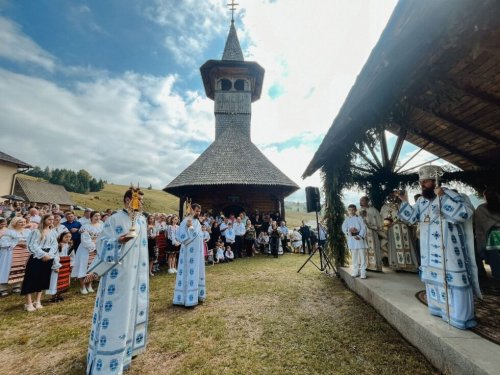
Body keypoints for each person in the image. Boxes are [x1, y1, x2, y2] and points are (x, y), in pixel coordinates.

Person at [397, 165, 481, 329]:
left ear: (435, 181)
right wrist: (404, 202)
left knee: (453, 280)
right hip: (429, 250)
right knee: (435, 279)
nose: (422, 185)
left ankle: (460, 316)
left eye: (425, 182)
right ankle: (438, 308)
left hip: (448, 249)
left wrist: (443, 198)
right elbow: (413, 218)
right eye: (421, 182)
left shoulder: (451, 195)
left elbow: (463, 214)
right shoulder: (421, 201)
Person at [85, 187, 149, 374]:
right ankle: (108, 357)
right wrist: (118, 241)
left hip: (136, 275)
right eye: (139, 201)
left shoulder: (142, 221)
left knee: (132, 309)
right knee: (116, 313)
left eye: (142, 202)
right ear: (128, 200)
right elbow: (102, 244)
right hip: (117, 275)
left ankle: (128, 350)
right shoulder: (114, 219)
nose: (141, 204)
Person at [21, 214, 57, 311]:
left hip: (48, 257)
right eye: (49, 219)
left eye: (52, 219)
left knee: (42, 278)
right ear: (44, 220)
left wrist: (49, 255)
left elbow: (55, 245)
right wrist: (43, 254)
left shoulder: (53, 232)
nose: (51, 221)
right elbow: (32, 245)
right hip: (37, 257)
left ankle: (37, 301)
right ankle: (28, 303)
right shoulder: (36, 232)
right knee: (31, 278)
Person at [173, 203, 206, 307]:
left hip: (197, 254)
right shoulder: (185, 221)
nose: (198, 213)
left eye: (199, 211)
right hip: (188, 255)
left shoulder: (198, 222)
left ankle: (196, 296)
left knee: (196, 273)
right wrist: (189, 228)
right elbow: (181, 237)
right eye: (196, 211)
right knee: (189, 274)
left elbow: (200, 236)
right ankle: (186, 299)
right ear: (191, 210)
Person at [381, 193, 418, 272]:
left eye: (396, 197)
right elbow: (384, 219)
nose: (394, 198)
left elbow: (411, 215)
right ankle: (397, 266)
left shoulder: (403, 205)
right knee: (395, 246)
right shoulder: (385, 207)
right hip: (393, 229)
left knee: (407, 245)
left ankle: (410, 266)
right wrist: (387, 222)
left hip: (405, 229)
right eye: (392, 196)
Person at [71, 211, 102, 294]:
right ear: (91, 217)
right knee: (83, 267)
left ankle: (89, 285)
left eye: (99, 216)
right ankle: (82, 286)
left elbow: (103, 238)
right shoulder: (85, 226)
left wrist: (99, 247)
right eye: (96, 216)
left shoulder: (102, 226)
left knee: (92, 267)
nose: (97, 218)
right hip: (86, 249)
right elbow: (85, 239)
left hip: (97, 249)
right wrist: (93, 247)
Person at [0, 217, 31, 296]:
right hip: (10, 254)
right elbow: (2, 243)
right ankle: (2, 288)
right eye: (20, 222)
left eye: (24, 222)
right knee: (7, 270)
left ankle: (16, 286)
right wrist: (18, 243)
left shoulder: (27, 231)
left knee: (20, 268)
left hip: (23, 254)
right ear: (15, 223)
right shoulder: (9, 232)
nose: (23, 223)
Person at [474, 188, 500, 281]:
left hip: (493, 237)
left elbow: (480, 226)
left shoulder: (481, 208)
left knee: (496, 260)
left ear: (485, 197)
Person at [342, 204, 368, 279]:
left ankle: (363, 272)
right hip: (352, 239)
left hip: (359, 238)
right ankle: (355, 271)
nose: (351, 211)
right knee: (354, 256)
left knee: (362, 256)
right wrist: (349, 230)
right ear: (348, 211)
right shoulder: (347, 219)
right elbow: (344, 228)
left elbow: (363, 227)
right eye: (350, 210)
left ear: (356, 210)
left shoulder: (359, 218)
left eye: (353, 210)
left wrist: (359, 235)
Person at [359, 196, 384, 272]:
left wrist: (369, 222)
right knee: (364, 250)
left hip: (372, 232)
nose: (361, 202)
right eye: (360, 200)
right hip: (362, 233)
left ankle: (376, 266)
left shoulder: (373, 210)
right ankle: (365, 265)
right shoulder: (358, 211)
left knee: (374, 248)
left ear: (367, 201)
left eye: (362, 200)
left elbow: (379, 221)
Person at [46, 231, 72, 302]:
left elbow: (72, 255)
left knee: (64, 280)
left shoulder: (70, 245)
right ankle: (53, 296)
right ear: (61, 237)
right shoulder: (58, 245)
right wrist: (56, 265)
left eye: (69, 237)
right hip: (59, 264)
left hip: (66, 264)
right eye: (66, 237)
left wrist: (72, 264)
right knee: (55, 280)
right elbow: (55, 255)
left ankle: (59, 295)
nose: (68, 238)